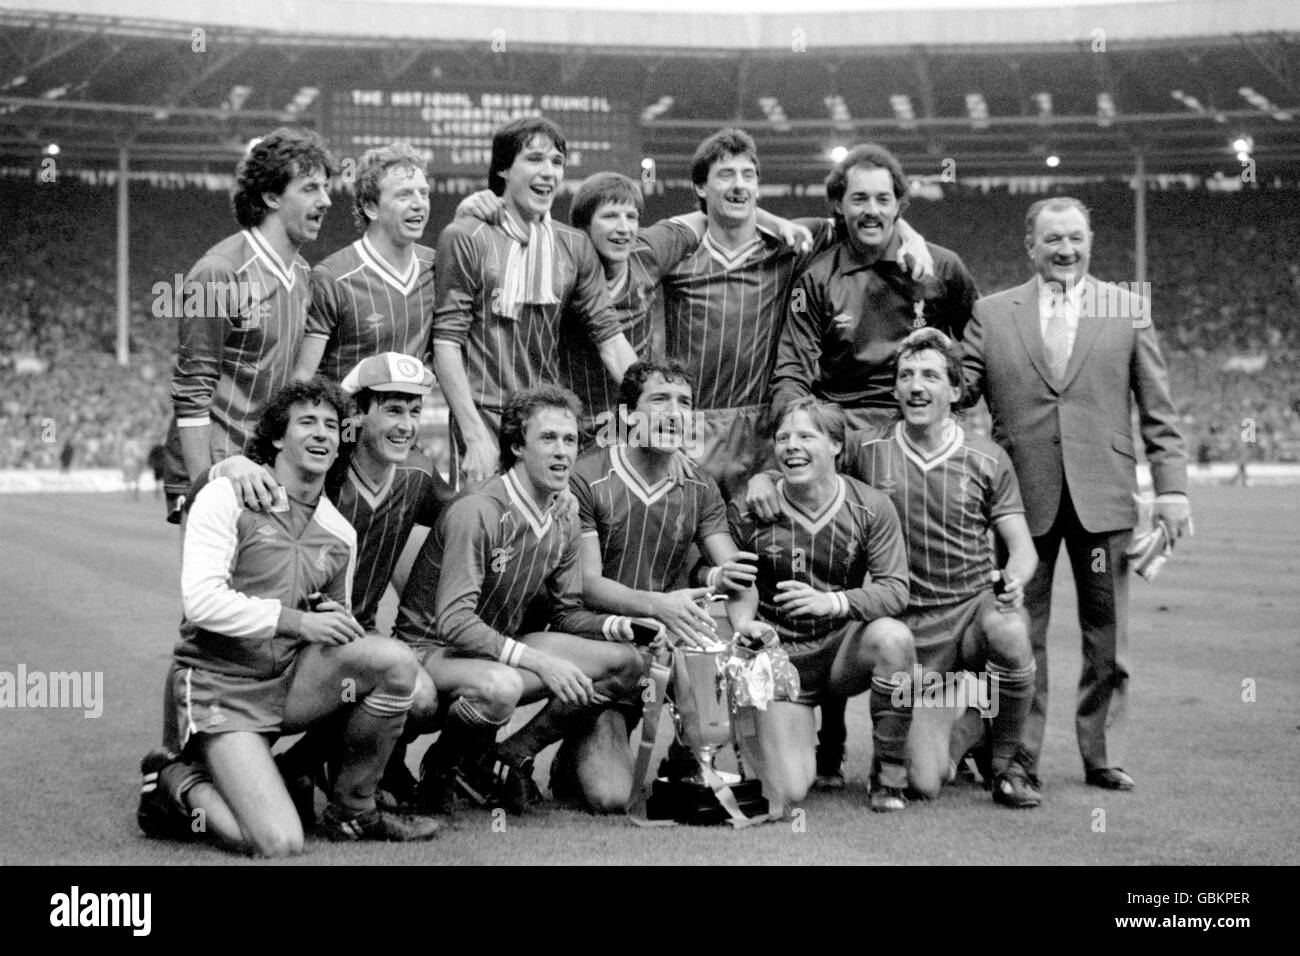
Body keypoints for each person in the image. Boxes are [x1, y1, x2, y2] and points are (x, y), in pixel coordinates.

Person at [137, 379, 440, 855]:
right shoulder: (228, 498)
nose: (321, 434)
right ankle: (174, 779)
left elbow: (332, 620)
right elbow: (201, 603)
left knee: (396, 663)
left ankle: (352, 810)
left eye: (331, 426)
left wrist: (332, 617)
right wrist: (299, 622)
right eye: (307, 423)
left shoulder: (339, 532)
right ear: (278, 436)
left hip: (288, 684)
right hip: (222, 685)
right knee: (276, 841)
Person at [747, 329, 1040, 806]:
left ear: (955, 389)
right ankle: (966, 728)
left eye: (929, 375)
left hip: (969, 615)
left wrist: (1014, 579)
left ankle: (1009, 767)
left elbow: (1021, 549)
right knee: (926, 782)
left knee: (1009, 631)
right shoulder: (868, 447)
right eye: (906, 376)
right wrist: (765, 475)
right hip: (901, 624)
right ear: (896, 389)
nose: (916, 385)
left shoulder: (988, 458)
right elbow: (813, 453)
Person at [768, 143, 979, 790]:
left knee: (917, 572)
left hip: (909, 434)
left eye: (884, 198)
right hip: (840, 438)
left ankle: (955, 722)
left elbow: (974, 346)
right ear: (839, 205)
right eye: (858, 197)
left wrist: (953, 400)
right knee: (831, 572)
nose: (872, 209)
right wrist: (804, 437)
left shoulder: (939, 267)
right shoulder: (817, 273)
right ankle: (827, 734)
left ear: (900, 205)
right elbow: (791, 369)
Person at [962, 196, 1192, 791]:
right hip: (1019, 507)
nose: (1065, 250)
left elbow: (1159, 414)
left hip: (1104, 499)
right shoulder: (991, 313)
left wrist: (1173, 493)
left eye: (1075, 238)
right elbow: (955, 394)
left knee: (1107, 641)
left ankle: (1102, 754)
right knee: (1017, 638)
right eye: (1052, 240)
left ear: (1089, 241)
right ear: (1030, 247)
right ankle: (1015, 760)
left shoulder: (1128, 310)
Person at [190, 352, 455, 812]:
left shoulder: (419, 474)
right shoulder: (323, 467)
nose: (407, 424)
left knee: (423, 697)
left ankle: (310, 765)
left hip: (350, 629)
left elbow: (470, 517)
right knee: (403, 682)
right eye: (393, 409)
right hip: (283, 643)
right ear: (357, 415)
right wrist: (226, 467)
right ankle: (323, 778)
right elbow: (211, 494)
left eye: (415, 410)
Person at [393, 385, 644, 814]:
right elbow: (454, 622)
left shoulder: (563, 517)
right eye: (547, 439)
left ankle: (509, 754)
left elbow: (567, 613)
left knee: (628, 662)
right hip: (428, 651)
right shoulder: (480, 509)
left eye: (570, 440)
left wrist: (630, 627)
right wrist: (539, 661)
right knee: (502, 685)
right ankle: (441, 767)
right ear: (516, 446)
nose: (562, 451)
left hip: (492, 652)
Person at [658, 128, 933, 500]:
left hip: (760, 429)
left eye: (748, 176)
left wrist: (910, 235)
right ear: (701, 188)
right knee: (686, 543)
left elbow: (868, 216)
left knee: (761, 542)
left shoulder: (793, 242)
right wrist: (651, 431)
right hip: (692, 427)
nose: (739, 186)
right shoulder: (677, 254)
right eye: (726, 175)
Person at [455, 171, 811, 436]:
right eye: (610, 217)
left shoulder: (648, 251)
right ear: (582, 228)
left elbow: (707, 216)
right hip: (576, 424)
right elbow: (489, 252)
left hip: (633, 425)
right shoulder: (558, 264)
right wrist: (466, 211)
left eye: (631, 217)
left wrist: (773, 220)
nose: (624, 228)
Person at [559, 360, 760, 810]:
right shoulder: (586, 476)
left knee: (710, 641)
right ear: (628, 415)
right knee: (610, 798)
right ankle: (582, 738)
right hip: (593, 636)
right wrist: (659, 606)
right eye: (659, 400)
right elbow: (587, 585)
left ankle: (695, 756)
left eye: (685, 403)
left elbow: (736, 573)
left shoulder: (701, 486)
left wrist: (742, 617)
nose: (675, 412)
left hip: (662, 639)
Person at [727, 397, 913, 812]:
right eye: (782, 437)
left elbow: (896, 589)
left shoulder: (871, 507)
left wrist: (830, 602)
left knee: (894, 639)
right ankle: (765, 743)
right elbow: (737, 583)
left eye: (806, 436)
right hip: (782, 658)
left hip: (840, 655)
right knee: (790, 791)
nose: (791, 445)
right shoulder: (751, 508)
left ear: (835, 445)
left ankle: (889, 776)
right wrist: (742, 622)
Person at [431, 117, 638, 486]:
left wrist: (653, 401)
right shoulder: (465, 236)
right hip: (482, 416)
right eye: (534, 159)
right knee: (484, 531)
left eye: (556, 162)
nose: (548, 172)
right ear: (503, 169)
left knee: (547, 537)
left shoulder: (574, 246)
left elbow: (610, 340)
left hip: (546, 421)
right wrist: (474, 435)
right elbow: (446, 343)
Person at [163, 127, 335, 521]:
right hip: (217, 466)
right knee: (213, 585)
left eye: (326, 188)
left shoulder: (303, 275)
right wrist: (204, 487)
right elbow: (192, 386)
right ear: (271, 196)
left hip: (264, 467)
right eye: (309, 188)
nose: (325, 201)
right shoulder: (218, 272)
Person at [293, 143, 435, 385]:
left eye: (423, 193)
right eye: (404, 194)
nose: (418, 203)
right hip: (346, 421)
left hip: (406, 422)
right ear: (370, 207)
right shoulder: (332, 278)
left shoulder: (436, 268)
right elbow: (302, 379)